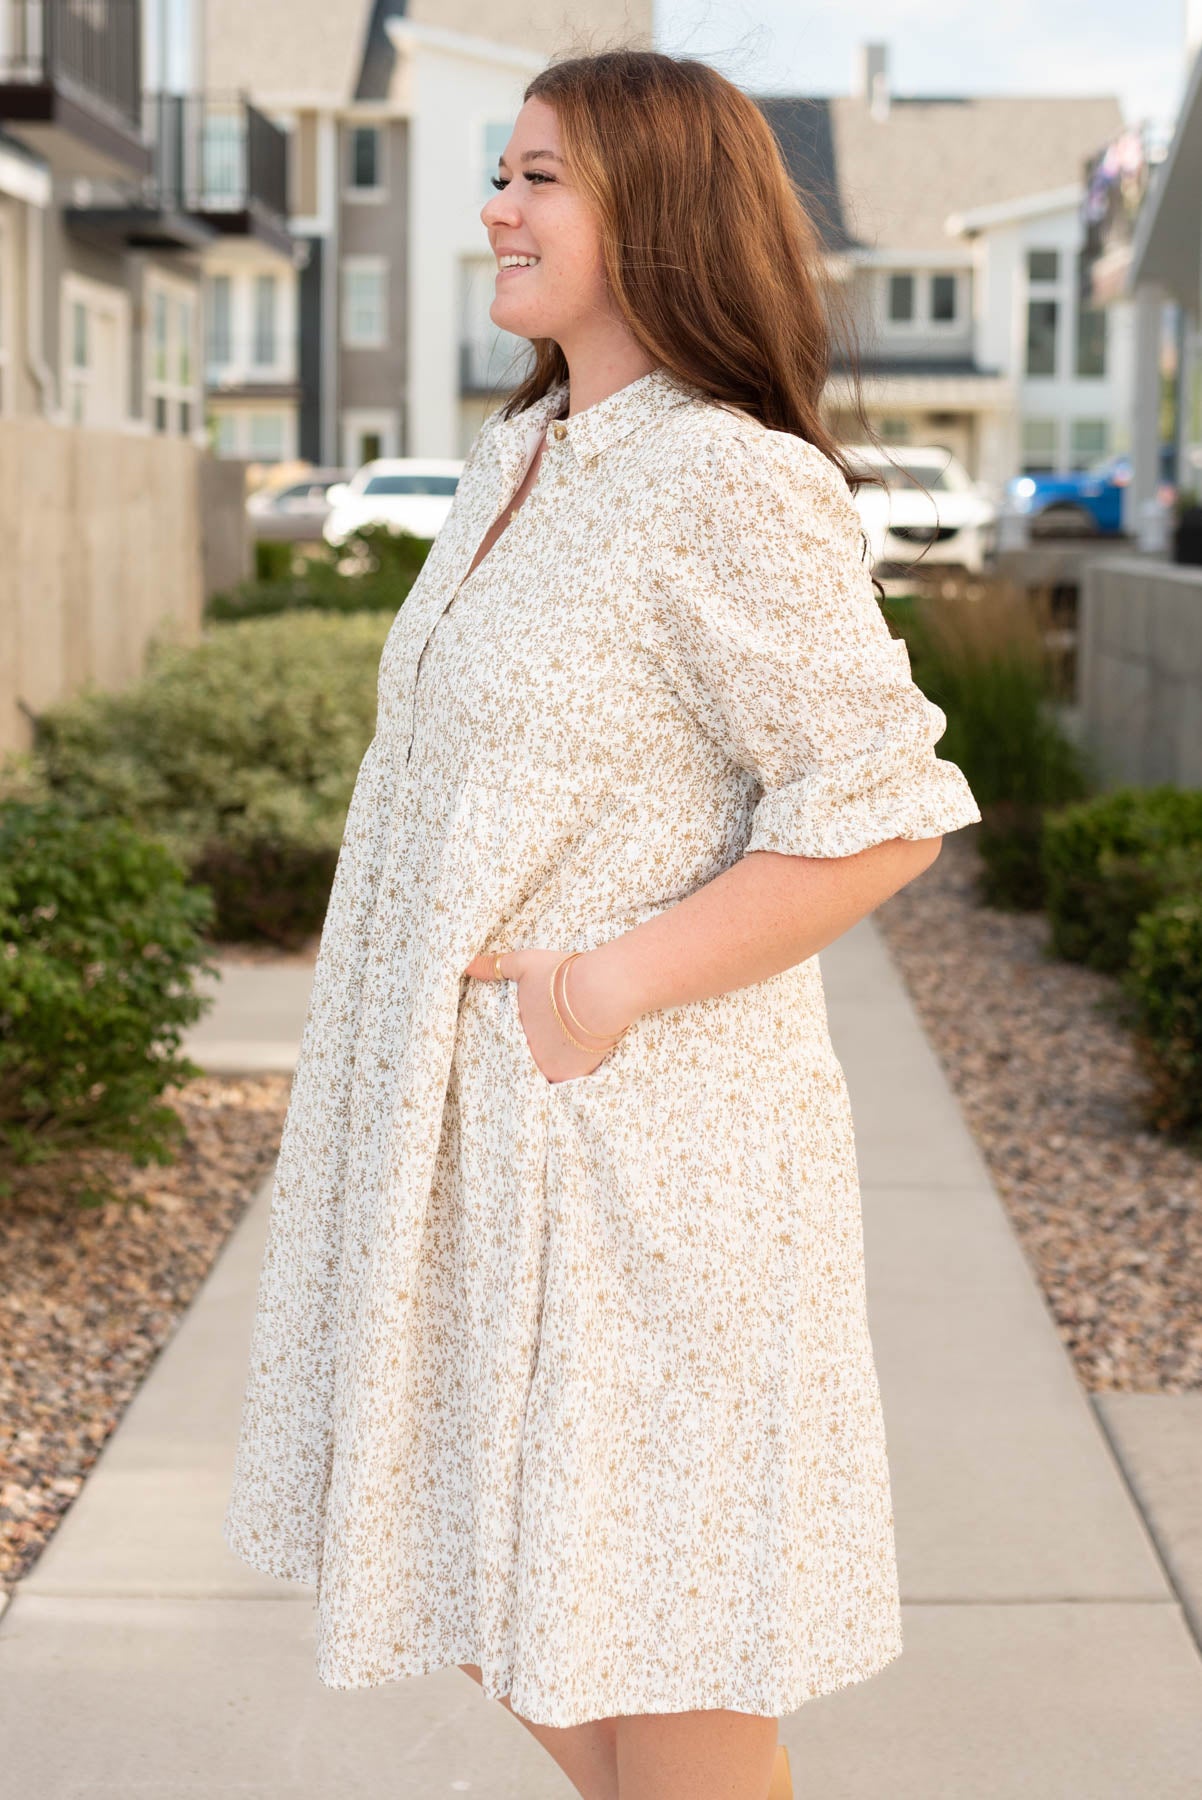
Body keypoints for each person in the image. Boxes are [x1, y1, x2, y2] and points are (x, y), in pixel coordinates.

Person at [222, 47, 982, 1800]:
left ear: (657, 207)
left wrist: (600, 989)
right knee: (516, 1614)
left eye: (538, 175)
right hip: (473, 1156)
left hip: (642, 1168)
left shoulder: (725, 478)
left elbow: (881, 813)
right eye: (503, 169)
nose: (495, 206)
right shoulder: (520, 460)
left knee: (670, 1660)